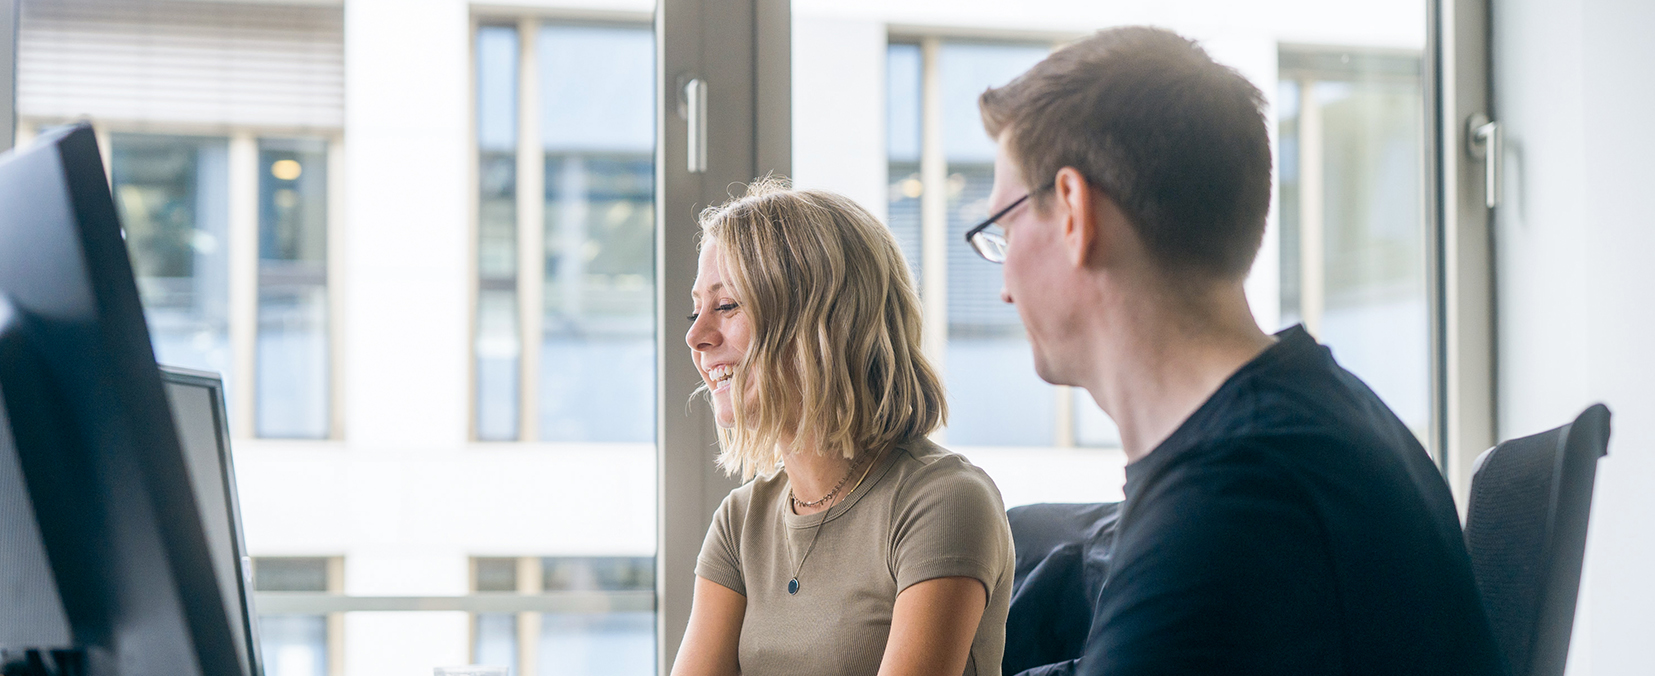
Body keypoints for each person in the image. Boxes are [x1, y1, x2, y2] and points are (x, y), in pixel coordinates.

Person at [968, 27, 1504, 675]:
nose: (1001, 287)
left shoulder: (1233, 501)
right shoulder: (1314, 419)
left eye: (1001, 229)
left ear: (1076, 213)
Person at [670, 180, 1016, 676]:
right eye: (695, 308)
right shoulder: (742, 521)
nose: (695, 335)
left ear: (821, 321)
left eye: (726, 306)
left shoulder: (941, 501)